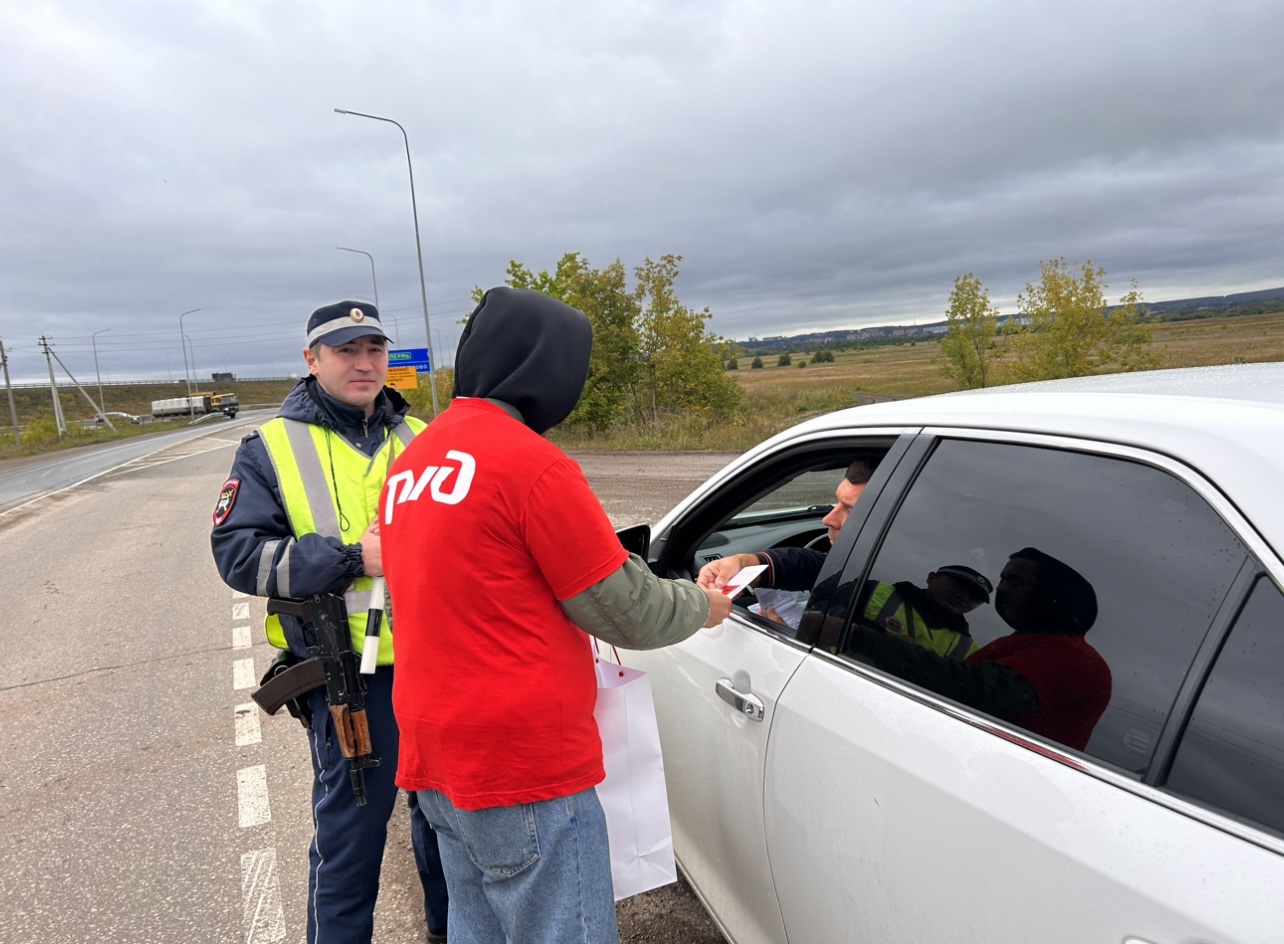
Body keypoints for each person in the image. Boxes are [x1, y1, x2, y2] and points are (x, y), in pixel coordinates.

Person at [379, 286, 735, 944]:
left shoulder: (414, 462)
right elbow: (626, 609)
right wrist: (704, 605)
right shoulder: (529, 464)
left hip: (436, 754)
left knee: (477, 928)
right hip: (523, 768)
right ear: (547, 369)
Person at [210, 301, 449, 944]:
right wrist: (352, 559)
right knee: (351, 845)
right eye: (346, 351)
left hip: (436, 665)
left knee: (447, 830)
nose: (365, 363)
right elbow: (239, 557)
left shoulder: (424, 438)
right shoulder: (270, 448)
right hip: (350, 677)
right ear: (312, 360)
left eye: (375, 349)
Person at [845, 547, 1112, 751]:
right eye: (1003, 579)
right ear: (931, 577)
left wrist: (859, 637)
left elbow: (973, 691)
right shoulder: (1022, 645)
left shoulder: (1073, 657)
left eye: (1015, 581)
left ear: (1052, 593)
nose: (1002, 589)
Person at [697, 459, 877, 596]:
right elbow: (818, 567)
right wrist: (745, 563)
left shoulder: (891, 586)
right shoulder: (871, 565)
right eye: (836, 503)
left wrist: (798, 634)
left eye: (851, 510)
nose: (828, 519)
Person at [858, 564, 992, 659]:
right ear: (931, 578)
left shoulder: (970, 650)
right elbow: (837, 617)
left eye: (974, 598)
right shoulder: (871, 590)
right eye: (958, 587)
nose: (963, 597)